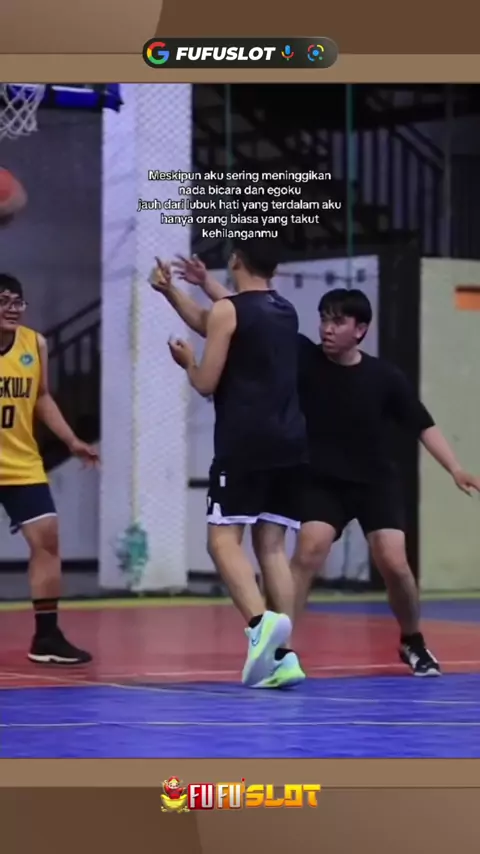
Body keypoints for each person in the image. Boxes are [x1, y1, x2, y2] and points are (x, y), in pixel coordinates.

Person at [168, 257, 480, 678]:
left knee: (394, 561)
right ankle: (280, 650)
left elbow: (423, 426)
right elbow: (245, 317)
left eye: (338, 322)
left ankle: (412, 638)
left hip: (374, 482)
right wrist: (206, 283)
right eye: (324, 320)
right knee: (308, 550)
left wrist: (456, 468)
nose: (328, 329)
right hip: (322, 481)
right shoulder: (303, 356)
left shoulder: (385, 377)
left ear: (360, 329)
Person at [150, 242, 308, 688]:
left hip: (245, 441)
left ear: (236, 258)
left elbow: (206, 382)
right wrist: (176, 291)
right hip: (291, 442)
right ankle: (285, 657)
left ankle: (259, 626)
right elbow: (221, 319)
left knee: (221, 541)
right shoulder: (285, 310)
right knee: (272, 547)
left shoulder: (230, 311)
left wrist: (187, 363)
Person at [0, 274, 98, 665]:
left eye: (17, 302)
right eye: (3, 301)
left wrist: (72, 440)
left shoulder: (34, 343)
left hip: (21, 463)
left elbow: (41, 397)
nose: (12, 308)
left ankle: (46, 636)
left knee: (47, 540)